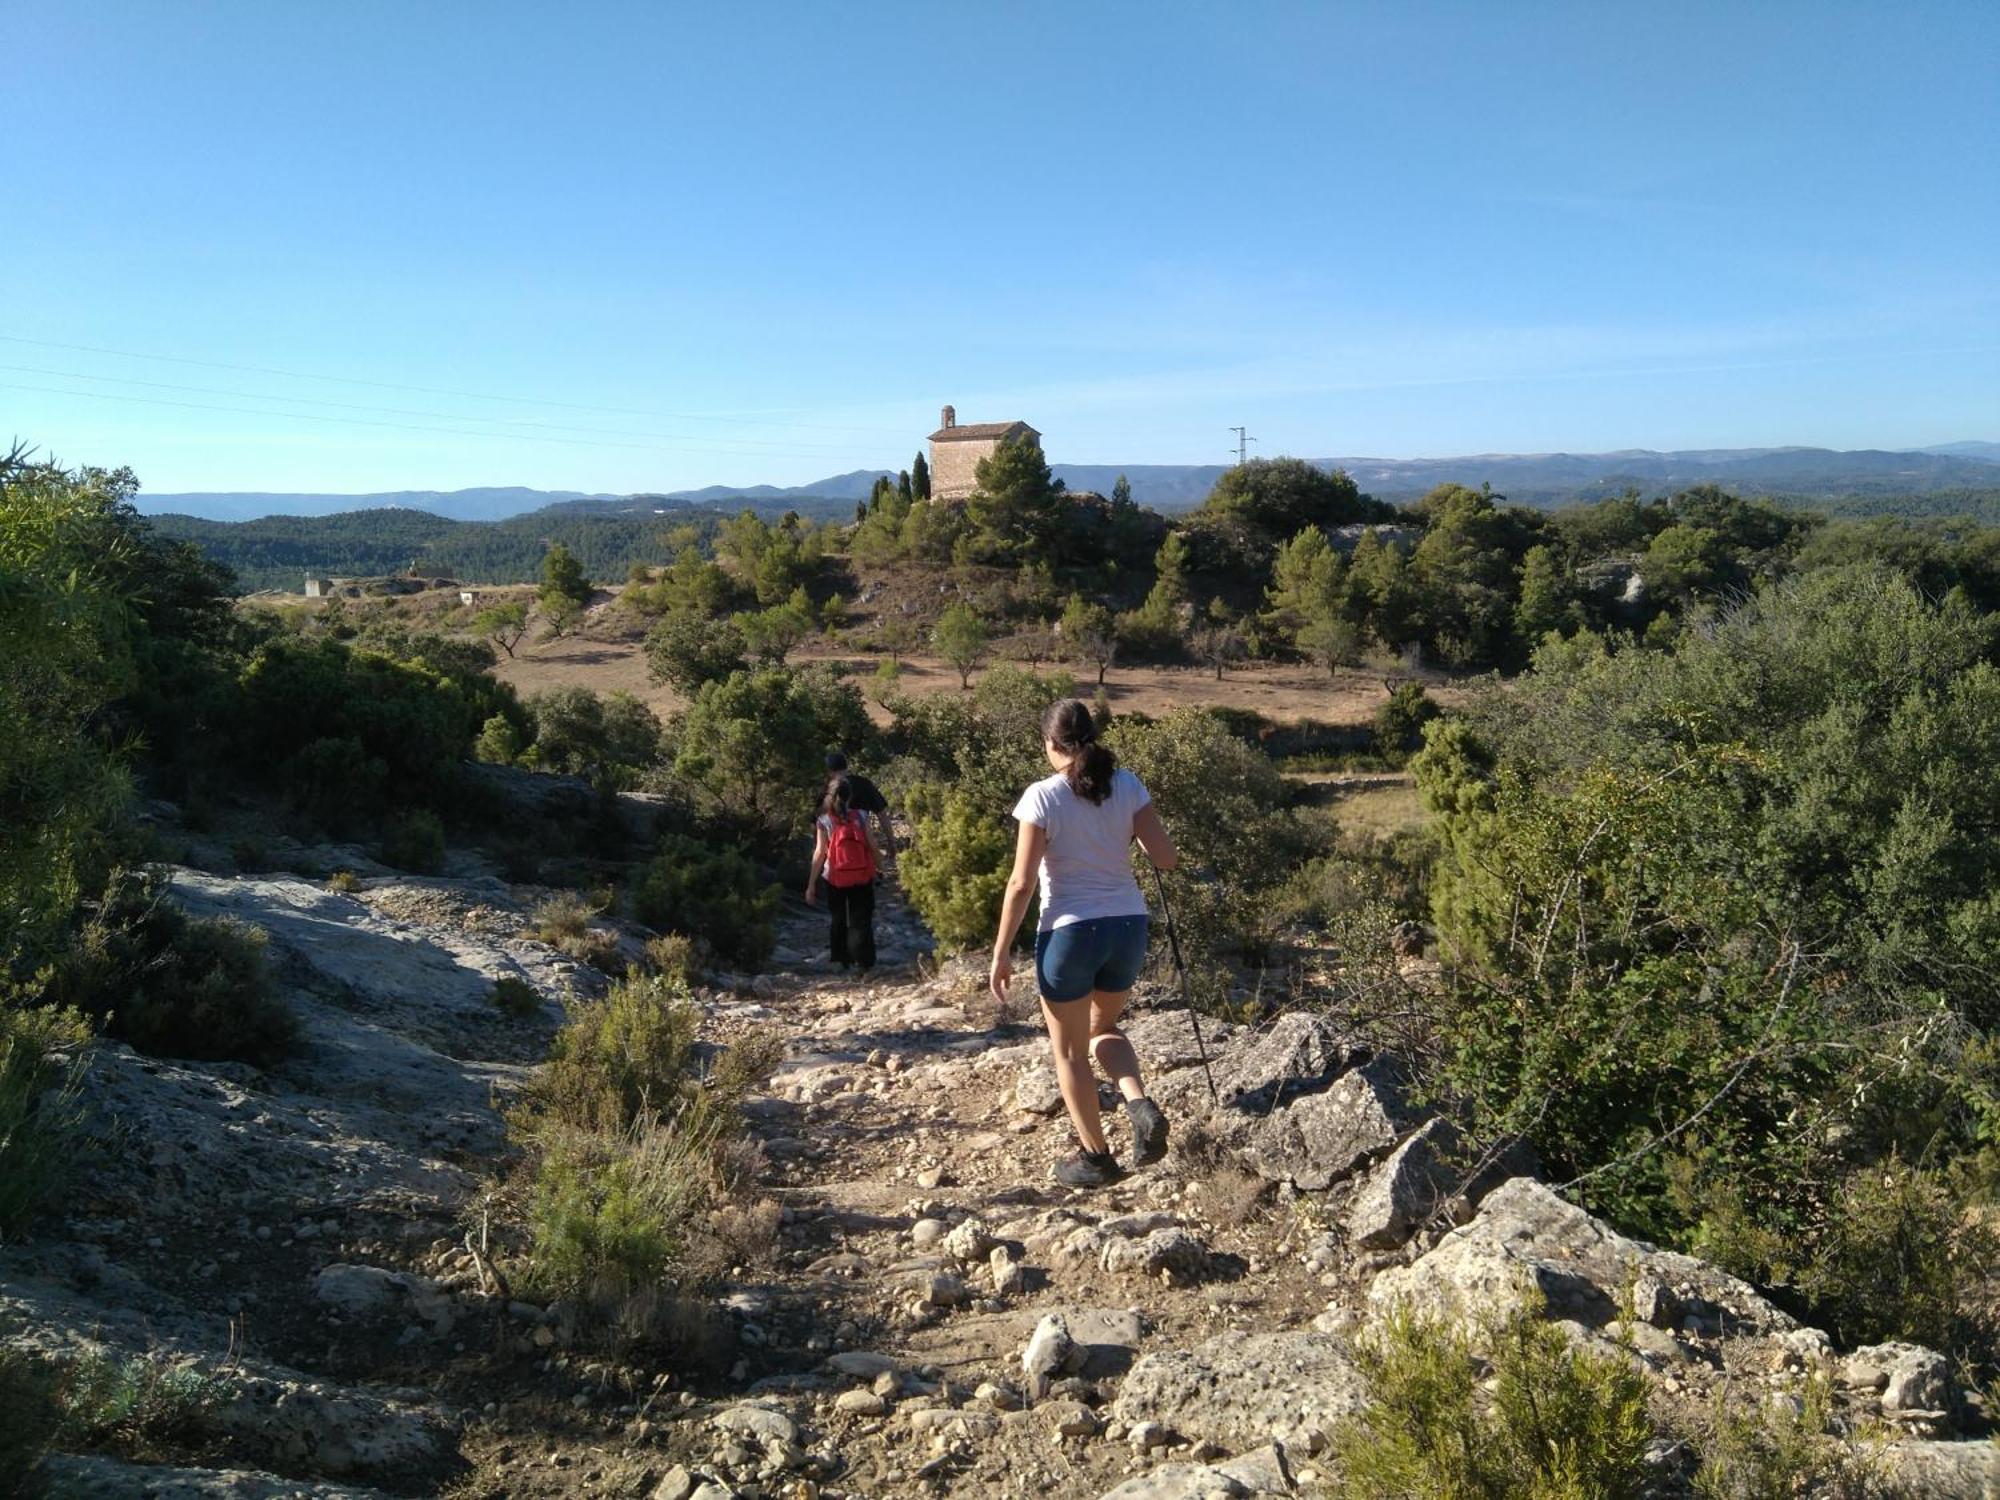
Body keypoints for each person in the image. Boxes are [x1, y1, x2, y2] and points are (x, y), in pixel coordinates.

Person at [990, 698, 1178, 1188]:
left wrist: (1001, 951)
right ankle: (1137, 1102)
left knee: (1070, 1052)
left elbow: (1021, 883)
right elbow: (1166, 858)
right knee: (1105, 1027)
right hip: (1128, 926)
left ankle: (1097, 1157)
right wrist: (1131, 835)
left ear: (1053, 745)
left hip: (1070, 932)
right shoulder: (1129, 784)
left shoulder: (1042, 797)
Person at [805, 775, 879, 972]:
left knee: (838, 917)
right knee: (861, 917)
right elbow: (872, 845)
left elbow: (820, 852)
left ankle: (839, 959)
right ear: (850, 795)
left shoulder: (824, 820)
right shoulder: (862, 816)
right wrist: (879, 867)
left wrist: (811, 884)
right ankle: (863, 961)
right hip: (862, 874)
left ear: (829, 796)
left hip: (835, 876)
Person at [821, 750, 894, 875]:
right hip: (862, 851)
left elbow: (818, 824)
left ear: (828, 770)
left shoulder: (825, 788)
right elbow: (882, 815)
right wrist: (891, 843)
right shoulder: (864, 784)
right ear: (847, 766)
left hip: (835, 856)